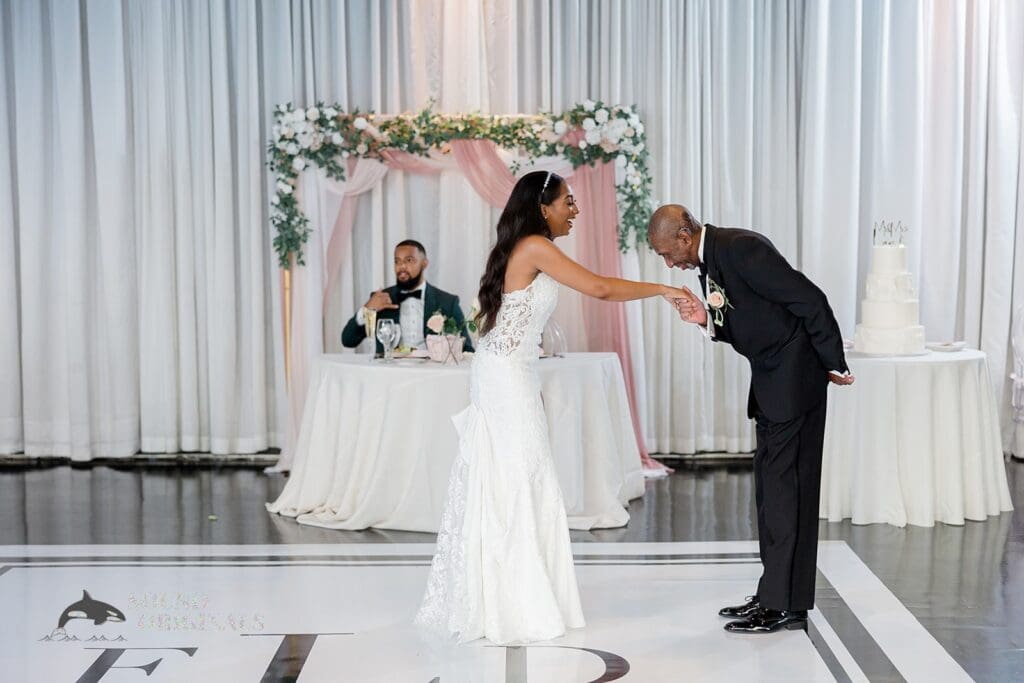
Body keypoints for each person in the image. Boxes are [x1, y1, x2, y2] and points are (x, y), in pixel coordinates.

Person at [414, 171, 690, 645]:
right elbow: (600, 288)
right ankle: (514, 604)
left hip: (511, 372)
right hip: (505, 376)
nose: (575, 210)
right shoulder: (534, 247)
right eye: (568, 202)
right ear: (543, 208)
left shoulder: (528, 247)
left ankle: (515, 596)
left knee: (521, 474)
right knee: (519, 477)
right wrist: (663, 289)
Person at [647, 204, 855, 634]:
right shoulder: (712, 258)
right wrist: (707, 320)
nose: (669, 263)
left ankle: (783, 605)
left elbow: (809, 299)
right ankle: (775, 594)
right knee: (771, 495)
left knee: (786, 497)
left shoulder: (741, 248)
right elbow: (754, 320)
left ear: (684, 236)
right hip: (773, 386)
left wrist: (833, 360)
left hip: (794, 383)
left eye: (667, 253)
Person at [340, 240, 473, 353]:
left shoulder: (447, 302)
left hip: (431, 373)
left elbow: (467, 349)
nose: (402, 266)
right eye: (397, 261)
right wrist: (367, 309)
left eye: (409, 260)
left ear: (424, 263)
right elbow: (348, 341)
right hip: (389, 372)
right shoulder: (381, 298)